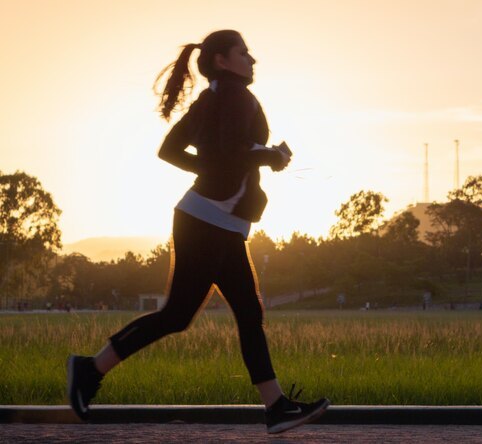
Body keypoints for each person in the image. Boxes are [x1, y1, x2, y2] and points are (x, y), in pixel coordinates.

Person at [67, 30, 329, 434]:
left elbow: (171, 150)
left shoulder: (212, 98)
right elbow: (228, 152)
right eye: (244, 53)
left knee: (245, 311)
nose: (252, 60)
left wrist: (214, 171)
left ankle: (276, 407)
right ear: (223, 60)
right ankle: (89, 369)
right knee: (181, 314)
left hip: (213, 219)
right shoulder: (235, 97)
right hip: (207, 221)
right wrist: (272, 155)